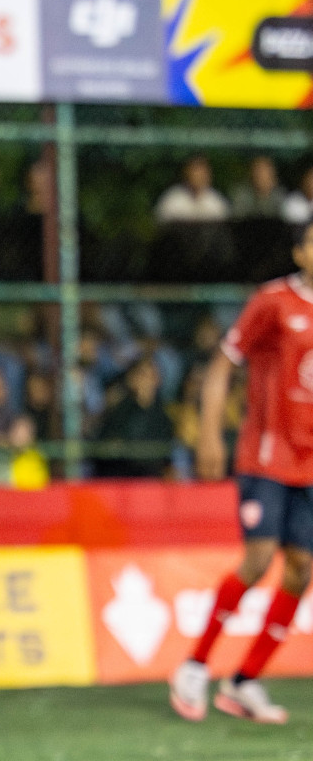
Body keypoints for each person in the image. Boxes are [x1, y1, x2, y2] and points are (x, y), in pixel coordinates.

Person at [169, 222, 313, 726]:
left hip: (310, 460)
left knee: (301, 570)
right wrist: (209, 432)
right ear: (300, 251)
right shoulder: (273, 302)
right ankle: (194, 666)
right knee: (258, 558)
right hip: (267, 455)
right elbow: (225, 361)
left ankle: (246, 680)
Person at [91, 357, 174, 478]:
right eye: (142, 375)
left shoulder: (164, 415)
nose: (147, 381)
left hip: (151, 480)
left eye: (151, 376)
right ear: (132, 379)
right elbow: (106, 446)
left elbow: (164, 453)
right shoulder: (119, 411)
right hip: (122, 478)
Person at [156, 156, 230, 223]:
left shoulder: (217, 202)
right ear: (186, 173)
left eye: (202, 172)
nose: (199, 176)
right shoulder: (172, 200)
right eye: (195, 171)